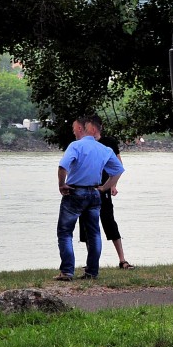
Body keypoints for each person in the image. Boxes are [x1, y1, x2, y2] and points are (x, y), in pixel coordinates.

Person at [56, 116, 124, 281]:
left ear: (85, 129)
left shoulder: (76, 146)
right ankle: (92, 271)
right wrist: (105, 187)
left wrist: (61, 184)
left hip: (75, 192)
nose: (75, 132)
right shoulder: (104, 149)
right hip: (94, 193)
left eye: (77, 129)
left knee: (65, 232)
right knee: (94, 233)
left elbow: (62, 166)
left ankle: (67, 271)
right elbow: (119, 170)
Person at [87, 115, 133, 269]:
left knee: (109, 221)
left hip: (104, 187)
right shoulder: (84, 144)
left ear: (95, 127)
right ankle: (92, 263)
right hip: (88, 187)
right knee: (87, 224)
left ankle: (122, 259)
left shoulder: (109, 142)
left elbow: (118, 165)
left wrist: (113, 184)